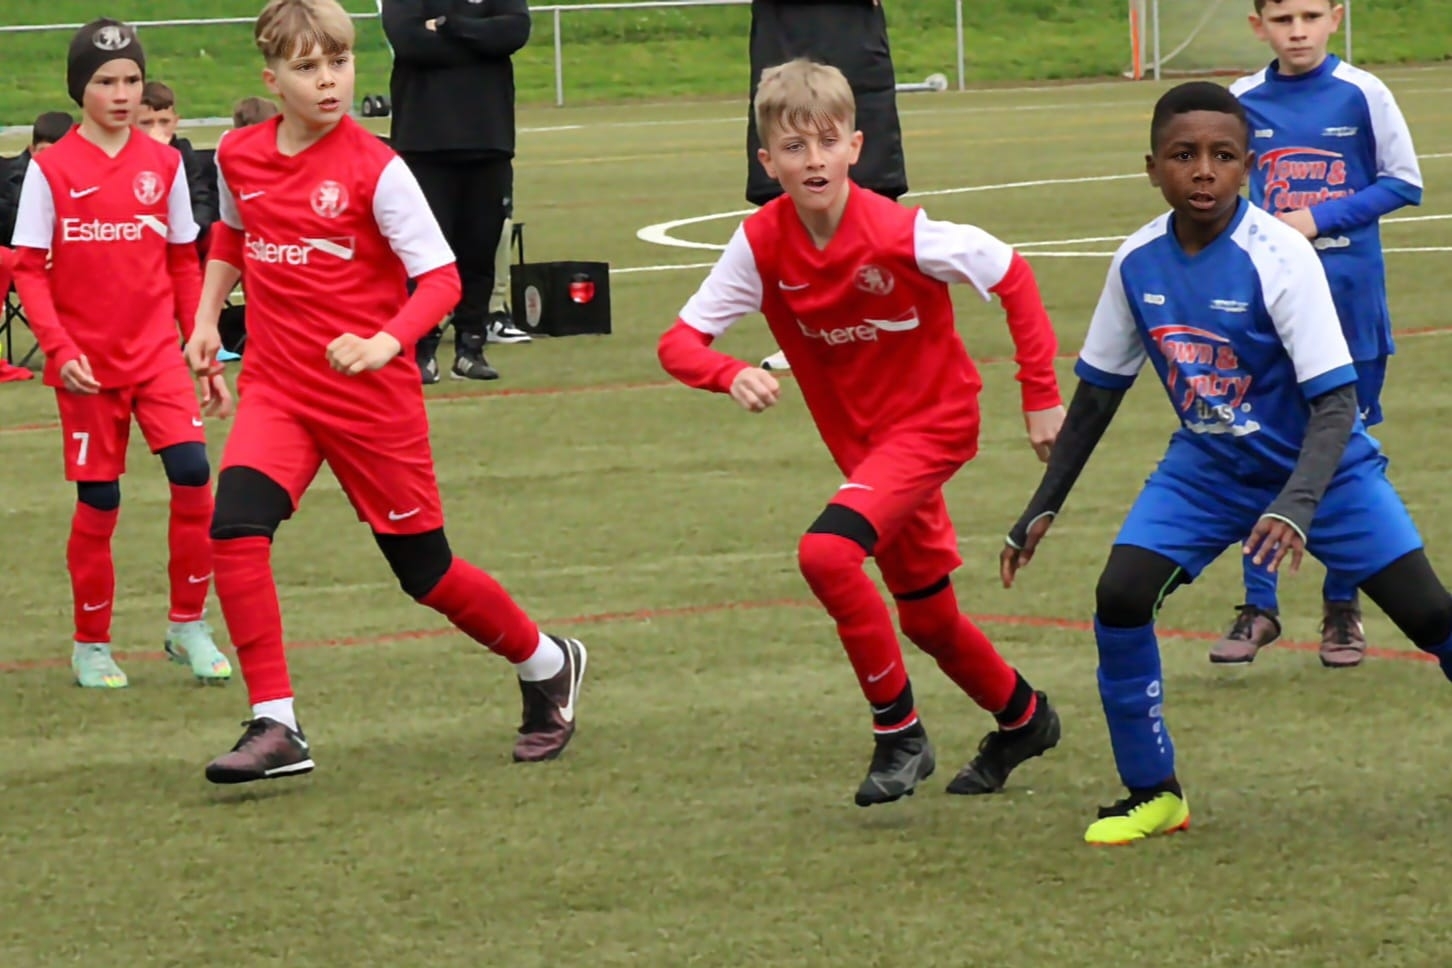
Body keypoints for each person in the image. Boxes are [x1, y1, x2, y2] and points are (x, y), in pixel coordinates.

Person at [1000, 82, 1452, 846]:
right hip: (1208, 468)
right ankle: (1154, 792)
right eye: (1184, 155)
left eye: (1222, 156)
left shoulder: (1281, 255)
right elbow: (1098, 395)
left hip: (1324, 472)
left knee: (1431, 615)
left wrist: (1296, 506)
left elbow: (1336, 404)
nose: (1203, 170)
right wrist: (1043, 503)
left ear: (1250, 166)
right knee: (1121, 595)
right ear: (1153, 168)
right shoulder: (1136, 261)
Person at [186, 0, 584, 784]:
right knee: (234, 529)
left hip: (370, 401)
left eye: (339, 62)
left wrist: (384, 342)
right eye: (307, 67)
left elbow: (442, 280)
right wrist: (205, 318)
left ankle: (547, 662)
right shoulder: (238, 154)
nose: (328, 81)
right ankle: (277, 723)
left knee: (426, 574)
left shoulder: (379, 168)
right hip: (278, 388)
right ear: (272, 78)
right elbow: (232, 234)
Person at [659, 59, 1065, 806]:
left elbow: (1011, 273)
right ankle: (1024, 718)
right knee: (929, 618)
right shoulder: (760, 244)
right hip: (870, 451)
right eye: (794, 146)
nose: (812, 159)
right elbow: (678, 343)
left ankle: (899, 733)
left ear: (855, 147)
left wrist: (1040, 395)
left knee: (826, 553)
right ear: (767, 162)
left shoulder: (903, 233)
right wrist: (727, 372)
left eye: (827, 141)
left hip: (935, 425)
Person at [10, 18, 233, 689]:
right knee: (100, 500)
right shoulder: (50, 169)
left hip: (157, 357)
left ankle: (187, 625)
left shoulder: (164, 164)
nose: (122, 93)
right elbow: (28, 270)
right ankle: (92, 644)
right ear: (81, 88)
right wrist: (58, 349)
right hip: (86, 367)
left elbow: (182, 261)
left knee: (193, 473)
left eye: (132, 80)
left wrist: (200, 338)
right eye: (106, 81)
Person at [1210, 0, 1424, 668]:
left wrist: (1317, 218)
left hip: (1351, 305)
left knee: (1345, 453)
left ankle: (1341, 607)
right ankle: (1259, 605)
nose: (1297, 30)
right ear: (1258, 26)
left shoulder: (1364, 92)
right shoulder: (1242, 99)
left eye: (1309, 15)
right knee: (1257, 445)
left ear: (1336, 16)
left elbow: (1404, 183)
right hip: (1269, 310)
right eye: (1282, 19)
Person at [746, 0, 908, 373]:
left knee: (872, 184)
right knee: (790, 179)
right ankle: (809, 331)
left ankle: (883, 322)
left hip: (853, 38)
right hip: (784, 32)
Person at [380, 0, 533, 384]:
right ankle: (421, 348)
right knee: (423, 254)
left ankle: (471, 346)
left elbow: (514, 32)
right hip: (424, 142)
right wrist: (481, 39)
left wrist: (449, 25)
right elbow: (409, 41)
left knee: (480, 251)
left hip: (489, 138)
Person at [138, 81, 220, 247]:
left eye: (164, 122)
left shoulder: (183, 152)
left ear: (176, 122)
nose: (156, 130)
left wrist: (189, 232)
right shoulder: (123, 155)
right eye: (146, 123)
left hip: (179, 240)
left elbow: (201, 200)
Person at [1, 112, 74, 247]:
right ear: (32, 150)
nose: (53, 160)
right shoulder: (6, 185)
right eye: (46, 152)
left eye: (63, 153)